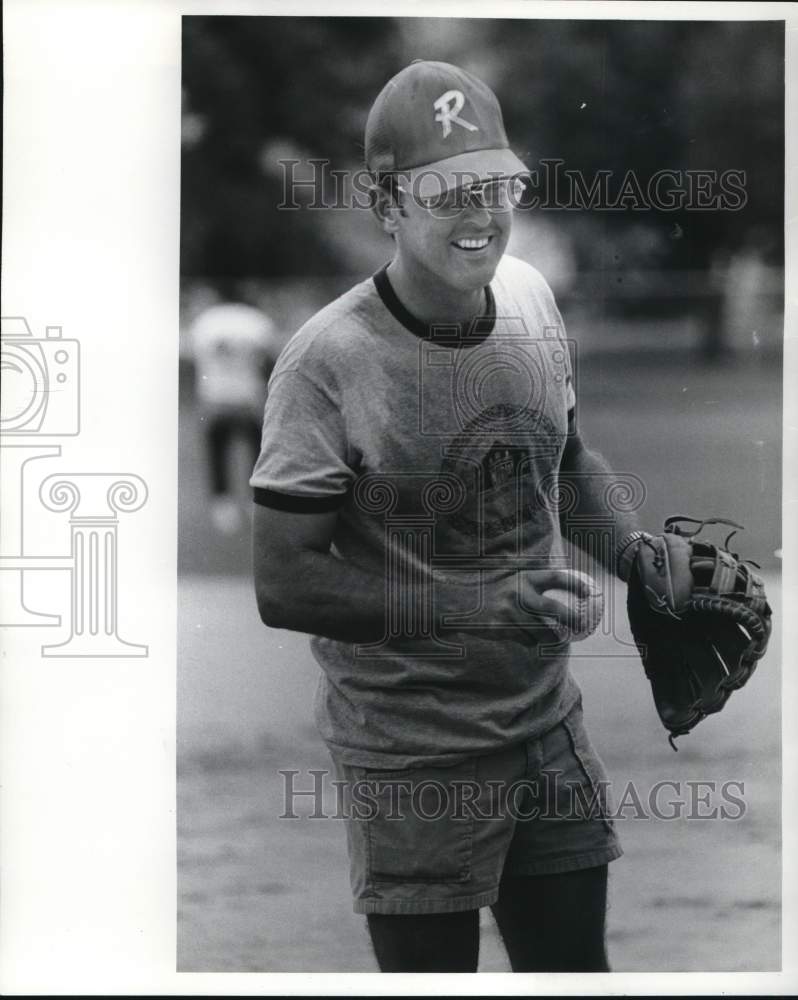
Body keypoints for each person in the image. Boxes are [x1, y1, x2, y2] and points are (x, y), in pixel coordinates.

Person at [251, 60, 642, 972]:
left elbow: (567, 458)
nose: (484, 214)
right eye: (451, 192)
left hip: (543, 719)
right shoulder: (326, 362)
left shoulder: (532, 302)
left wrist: (639, 556)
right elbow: (285, 578)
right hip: (410, 748)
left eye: (499, 185)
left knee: (576, 976)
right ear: (386, 203)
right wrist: (477, 608)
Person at [189, 293, 279, 533]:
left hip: (215, 396)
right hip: (247, 396)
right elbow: (270, 360)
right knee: (257, 453)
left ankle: (222, 504)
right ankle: (254, 502)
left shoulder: (206, 320)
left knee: (217, 451)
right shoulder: (256, 321)